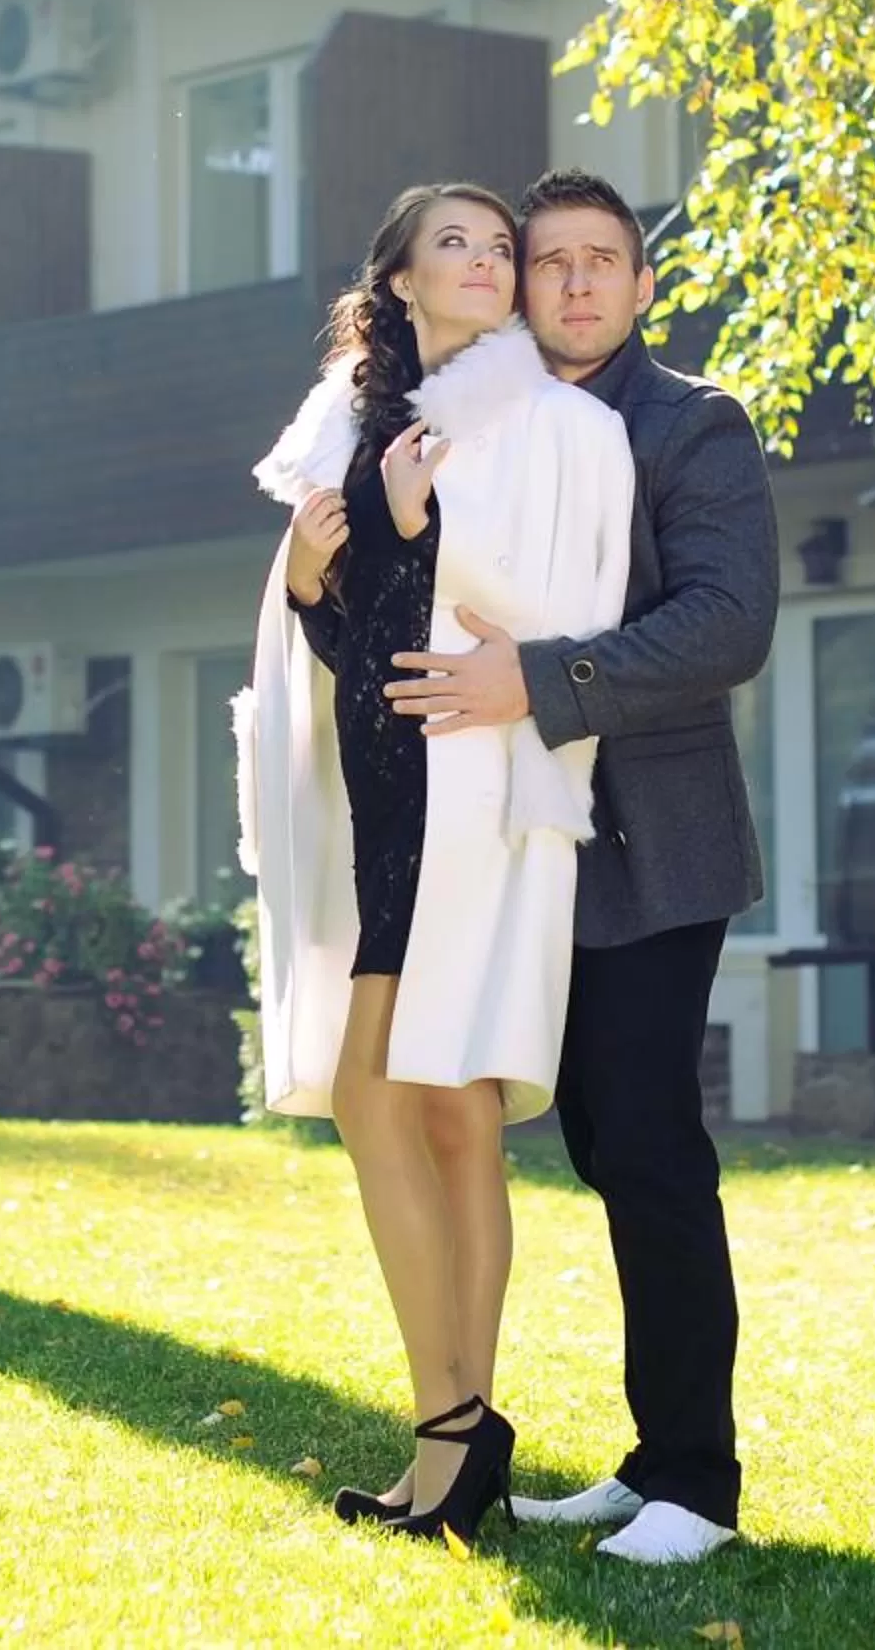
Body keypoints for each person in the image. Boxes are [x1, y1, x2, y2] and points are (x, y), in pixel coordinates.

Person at [382, 168, 780, 1567]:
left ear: (642, 283)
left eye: (600, 262)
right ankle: (648, 1455)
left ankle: (697, 1486)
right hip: (517, 845)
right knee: (602, 1143)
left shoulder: (692, 427)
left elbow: (728, 625)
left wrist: (533, 683)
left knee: (652, 1144)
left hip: (651, 849)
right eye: (548, 262)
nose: (573, 286)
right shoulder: (488, 416)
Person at [237, 181, 635, 1546]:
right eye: (454, 243)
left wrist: (418, 533)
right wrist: (306, 574)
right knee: (445, 1107)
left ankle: (452, 1425)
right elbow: (357, 658)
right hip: (384, 800)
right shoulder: (361, 430)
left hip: (487, 797)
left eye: (497, 245)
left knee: (394, 1093)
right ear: (397, 278)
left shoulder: (568, 427)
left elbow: (582, 614)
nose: (487, 261)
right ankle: (459, 1443)